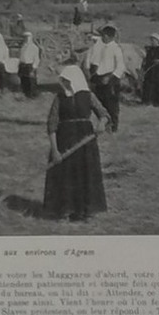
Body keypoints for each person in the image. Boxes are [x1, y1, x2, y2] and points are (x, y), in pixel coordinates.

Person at [43, 67, 110, 222]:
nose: (65, 84)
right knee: (66, 176)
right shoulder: (59, 98)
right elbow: (52, 124)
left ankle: (86, 211)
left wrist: (102, 123)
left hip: (85, 142)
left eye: (67, 80)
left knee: (85, 174)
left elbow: (104, 113)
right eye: (63, 80)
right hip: (64, 140)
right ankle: (65, 211)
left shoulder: (88, 96)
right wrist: (55, 150)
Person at [89, 23, 126, 131]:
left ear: (109, 36)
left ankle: (113, 126)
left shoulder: (116, 49)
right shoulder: (99, 47)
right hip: (99, 79)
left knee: (112, 105)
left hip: (111, 81)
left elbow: (120, 67)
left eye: (104, 35)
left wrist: (110, 78)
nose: (102, 37)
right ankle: (102, 125)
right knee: (99, 104)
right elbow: (95, 62)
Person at [140, 33, 159, 107]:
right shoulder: (150, 50)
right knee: (149, 85)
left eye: (153, 40)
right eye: (151, 40)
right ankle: (148, 101)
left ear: (158, 41)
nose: (152, 42)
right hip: (151, 71)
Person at [17, 31, 41, 98]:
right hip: (23, 65)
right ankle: (25, 93)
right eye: (25, 37)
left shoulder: (34, 48)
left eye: (27, 37)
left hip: (30, 65)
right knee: (23, 80)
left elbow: (36, 59)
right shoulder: (23, 47)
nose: (26, 39)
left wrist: (33, 69)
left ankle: (32, 95)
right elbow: (21, 57)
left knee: (31, 81)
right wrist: (19, 66)